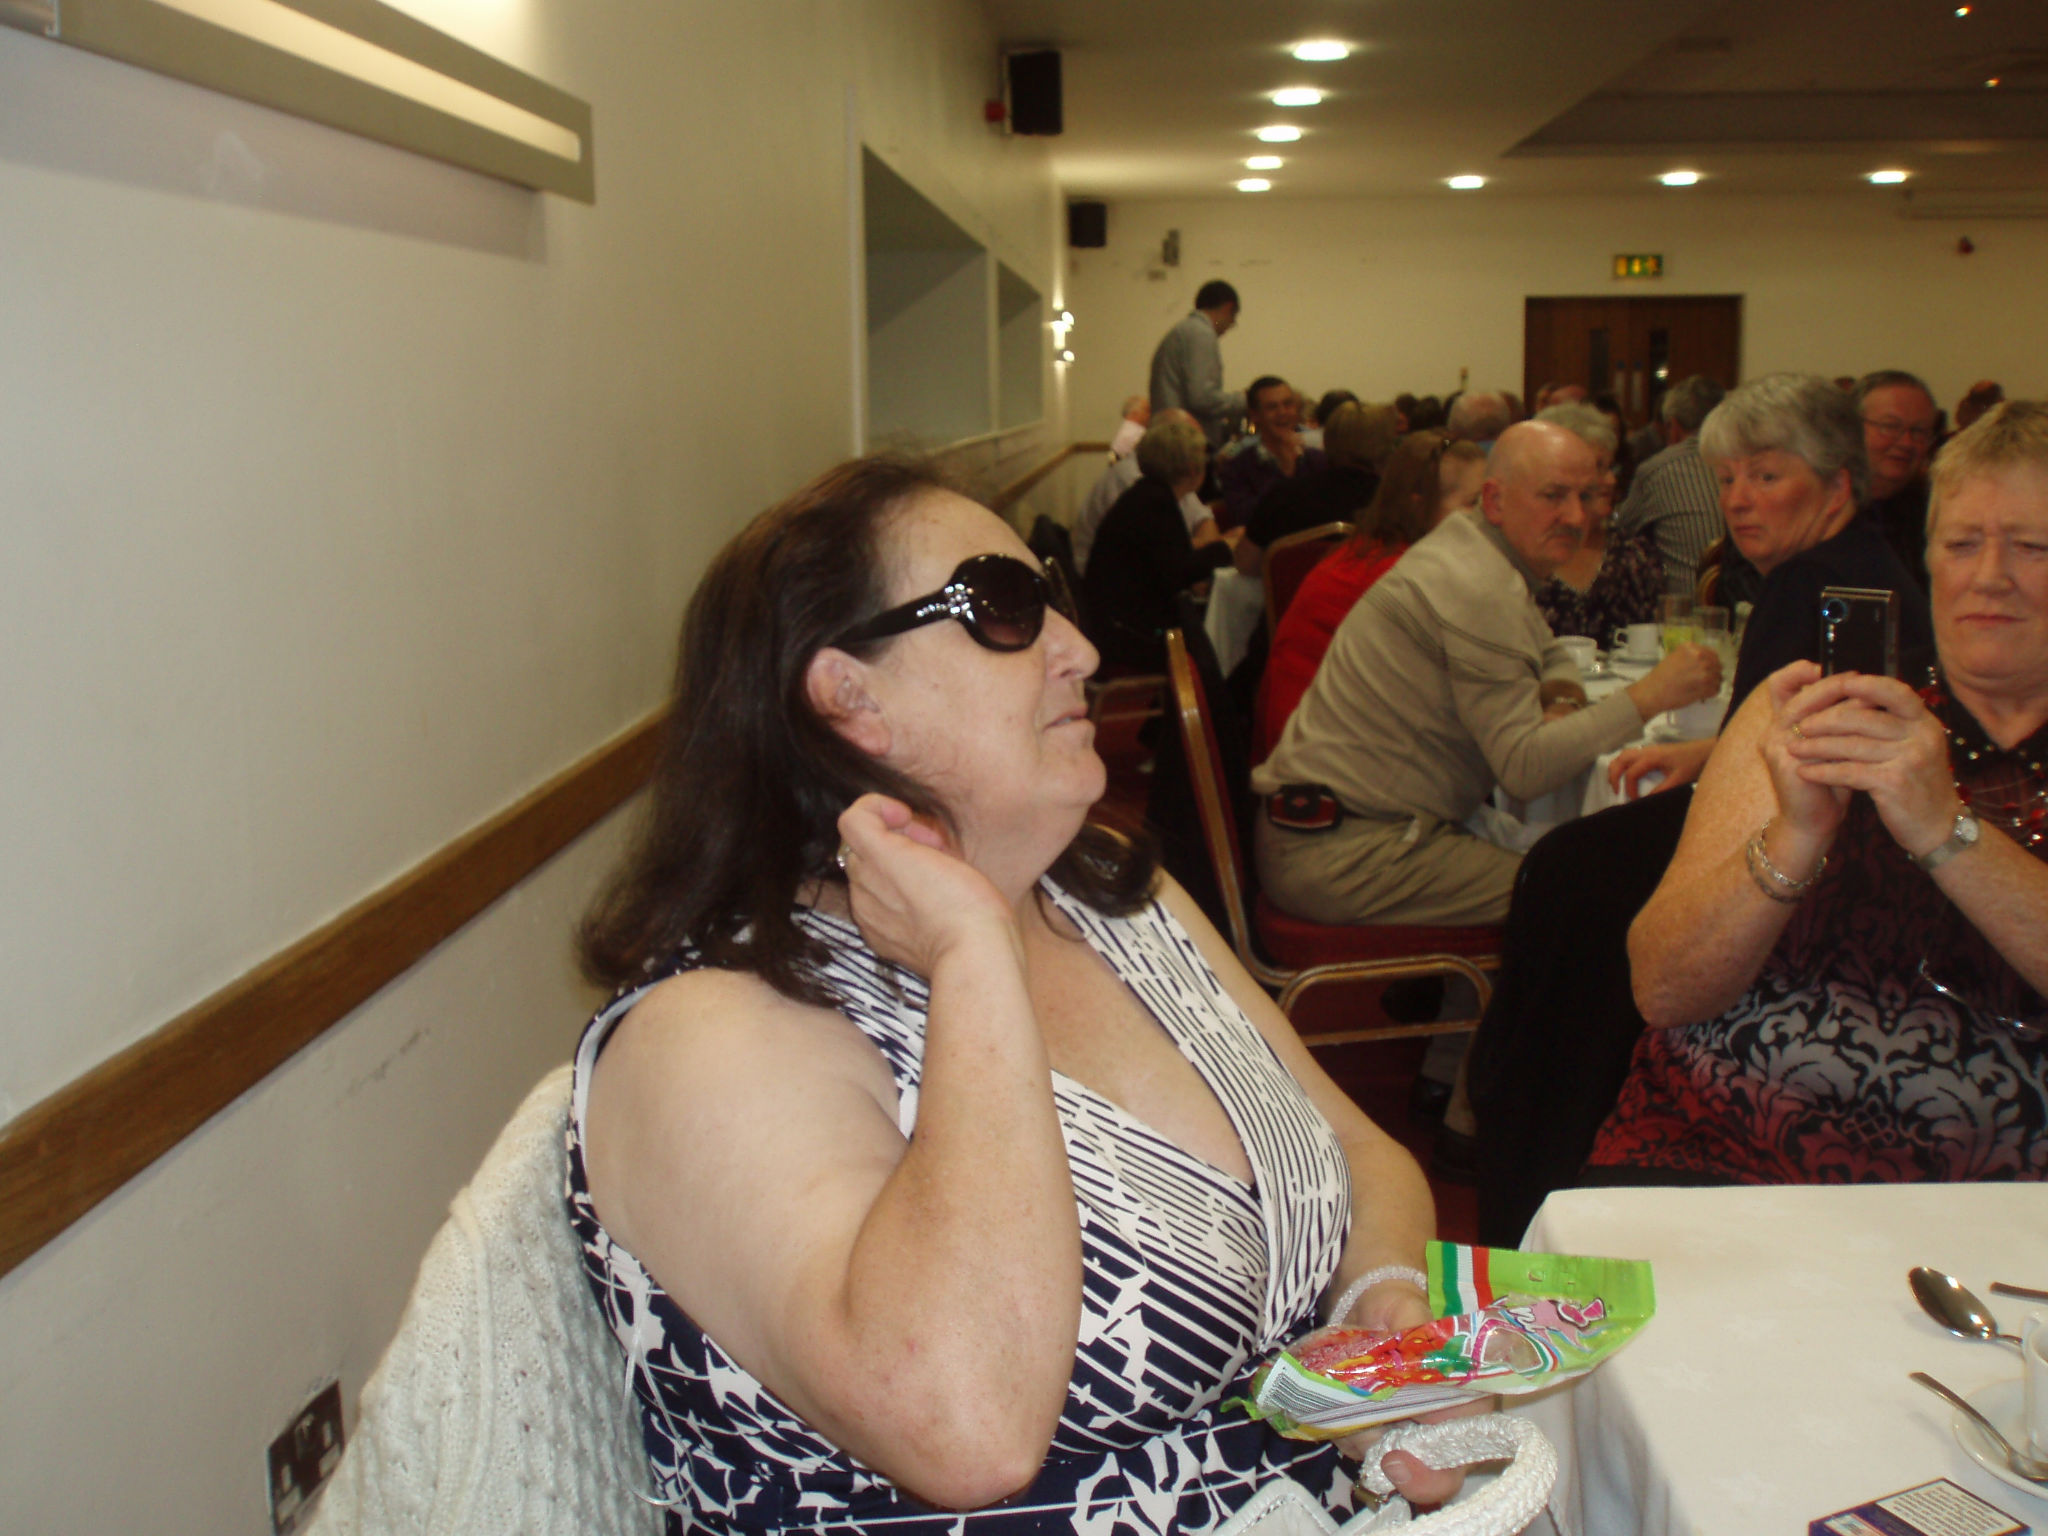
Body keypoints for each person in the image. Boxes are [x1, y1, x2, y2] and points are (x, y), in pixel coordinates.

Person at [567, 456, 1472, 1533]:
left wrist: (1377, 1311)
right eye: (1003, 607)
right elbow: (965, 1428)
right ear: (849, 695)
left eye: (1053, 598)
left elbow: (1357, 1148)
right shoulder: (710, 1033)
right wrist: (970, 958)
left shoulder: (1106, 893)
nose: (1079, 649)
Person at [1586, 401, 2048, 1184]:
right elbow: (1662, 988)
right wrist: (1795, 837)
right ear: (1928, 558)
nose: (1989, 575)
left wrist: (1945, 832)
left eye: (2033, 547)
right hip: (1718, 1150)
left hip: (1992, 1197)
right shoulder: (1822, 710)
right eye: (1962, 543)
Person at [1251, 420, 1721, 930]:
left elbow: (1554, 655)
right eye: (1553, 496)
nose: (1576, 516)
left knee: (1585, 863)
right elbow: (1526, 769)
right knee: (1598, 900)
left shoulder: (1471, 550)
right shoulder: (1477, 585)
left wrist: (1560, 704)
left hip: (1342, 828)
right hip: (1348, 855)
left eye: (1586, 496)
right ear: (1494, 501)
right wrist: (1651, 695)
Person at [1609, 372, 1934, 800]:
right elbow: (1799, 740)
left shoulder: (1804, 582)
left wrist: (1719, 759)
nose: (1736, 501)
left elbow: (1748, 779)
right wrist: (1708, 752)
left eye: (1765, 477)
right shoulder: (1864, 557)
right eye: (1726, 479)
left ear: (1836, 487)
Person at [1253, 434, 1483, 760]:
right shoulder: (1399, 577)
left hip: (1331, 742)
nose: (1489, 516)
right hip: (1321, 763)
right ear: (1419, 503)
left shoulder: (1377, 551)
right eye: (1474, 503)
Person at [1082, 416, 1237, 673]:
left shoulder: (1147, 494)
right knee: (1203, 638)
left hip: (1117, 617)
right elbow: (1178, 573)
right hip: (1131, 632)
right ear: (1193, 468)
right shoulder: (1156, 503)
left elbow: (1169, 560)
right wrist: (1227, 548)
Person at [1531, 402, 1664, 641]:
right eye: (1598, 467)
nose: (1611, 480)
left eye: (1611, 467)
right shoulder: (1523, 555)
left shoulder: (1634, 557)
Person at [1235, 401, 1399, 577]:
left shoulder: (1284, 496)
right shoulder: (1398, 504)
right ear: (1386, 447)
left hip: (1296, 594)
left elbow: (1245, 564)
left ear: (1327, 440)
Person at [1610, 375, 1728, 592]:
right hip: (1747, 603)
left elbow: (1619, 534)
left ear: (1672, 427)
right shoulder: (1746, 464)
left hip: (1682, 605)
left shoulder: (1657, 470)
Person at [1070, 407, 1217, 576]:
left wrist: (1208, 545)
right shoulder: (1134, 480)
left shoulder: (1169, 477)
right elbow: (1169, 556)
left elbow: (1203, 519)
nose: (1201, 459)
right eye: (1195, 449)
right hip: (1105, 580)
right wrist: (1218, 547)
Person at [1856, 369, 1941, 591]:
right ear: (1851, 428)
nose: (1906, 442)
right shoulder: (1819, 511)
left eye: (1919, 431)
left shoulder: (1938, 513)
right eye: (1890, 427)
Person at [1218, 375, 1325, 530]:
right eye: (1272, 407)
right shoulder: (1236, 469)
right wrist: (1286, 470)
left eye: (1288, 404)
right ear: (1254, 415)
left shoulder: (1318, 460)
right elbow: (1245, 518)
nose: (1282, 412)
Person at [1148, 280, 1244, 450]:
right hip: (1186, 443)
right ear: (1228, 308)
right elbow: (1202, 398)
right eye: (1232, 319)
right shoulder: (1201, 334)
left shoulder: (1182, 331)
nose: (1229, 327)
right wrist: (1245, 400)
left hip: (1170, 437)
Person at [1109, 394, 1150, 459]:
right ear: (1134, 413)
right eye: (1147, 411)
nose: (1150, 415)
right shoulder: (1135, 433)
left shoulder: (1124, 431)